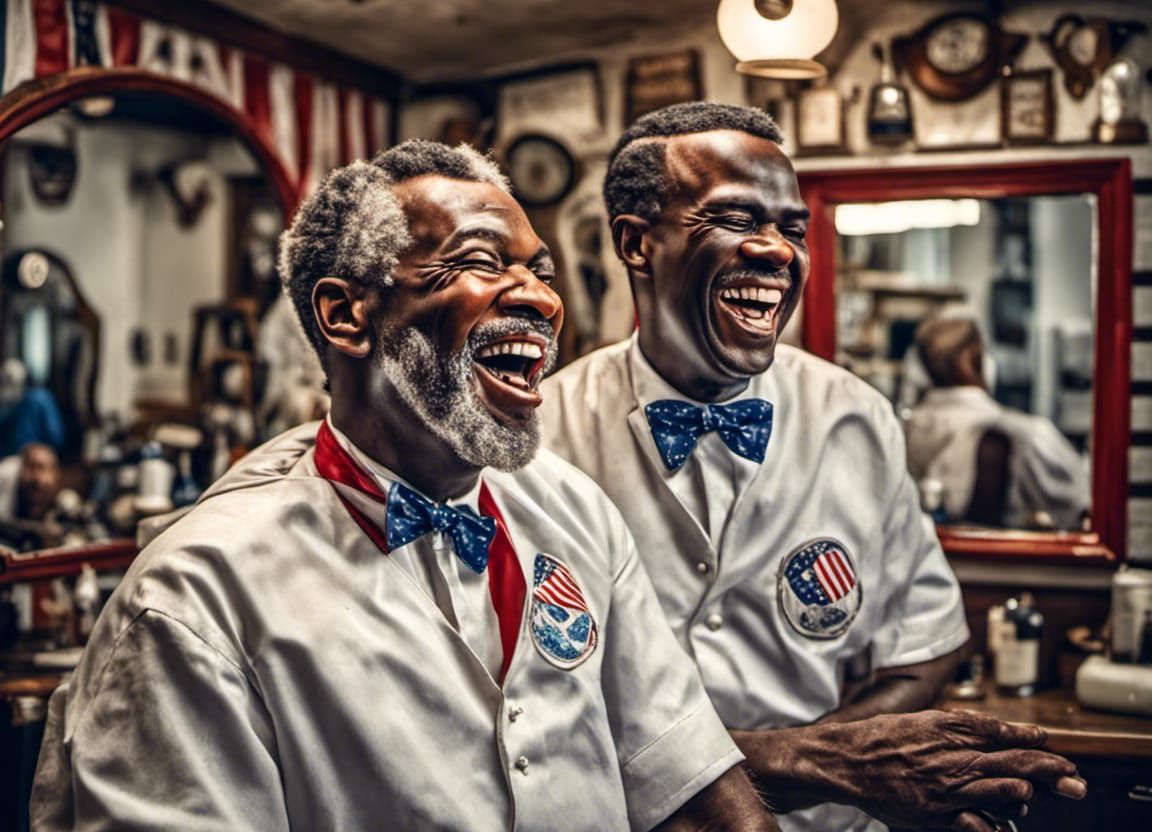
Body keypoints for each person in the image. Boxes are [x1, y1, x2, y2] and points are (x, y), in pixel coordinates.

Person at [30, 140, 773, 831]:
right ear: (347, 315)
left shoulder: (574, 509)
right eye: (481, 262)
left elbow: (689, 781)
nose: (543, 303)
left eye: (541, 275)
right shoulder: (195, 599)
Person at [541, 102, 1085, 832]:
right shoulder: (538, 437)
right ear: (637, 244)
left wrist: (827, 762)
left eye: (792, 229)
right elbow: (536, 718)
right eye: (734, 219)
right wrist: (822, 760)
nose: (777, 252)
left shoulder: (854, 416)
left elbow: (922, 647)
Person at [905, 316, 1091, 529]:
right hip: (1007, 561)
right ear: (973, 361)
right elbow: (1083, 508)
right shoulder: (1027, 435)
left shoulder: (901, 432)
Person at [0, 358, 64, 459]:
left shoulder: (40, 398)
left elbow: (55, 437)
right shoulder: (6, 405)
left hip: (35, 458)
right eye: (5, 382)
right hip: (9, 459)